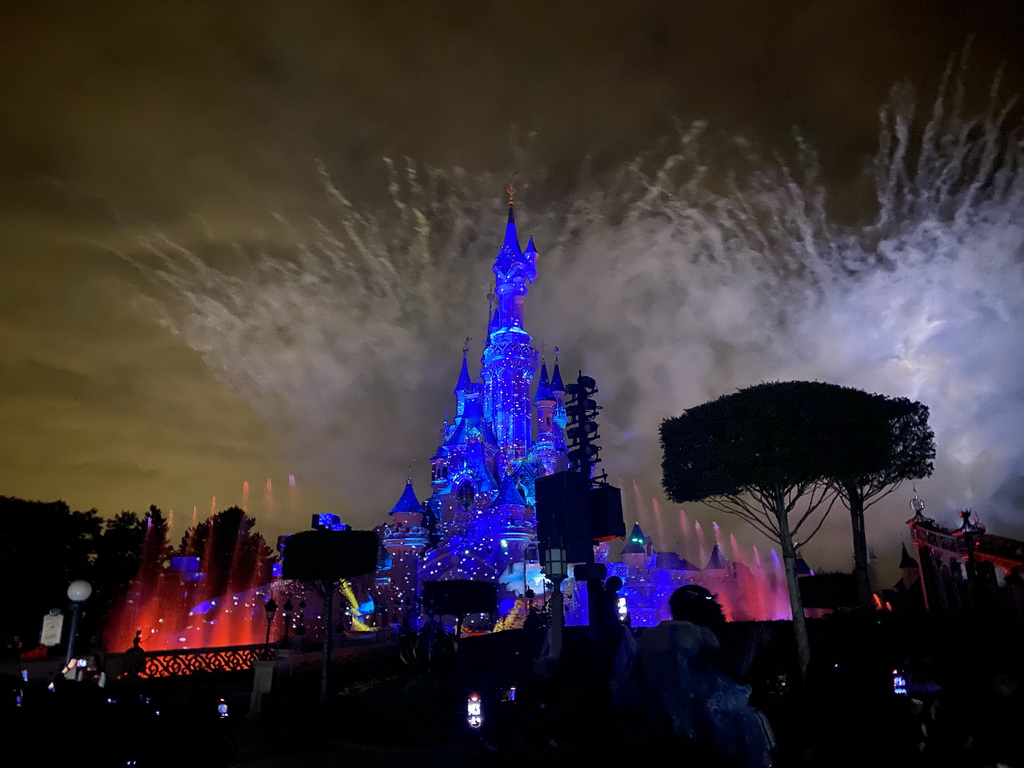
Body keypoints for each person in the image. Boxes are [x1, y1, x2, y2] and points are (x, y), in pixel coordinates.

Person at [623, 585, 774, 767]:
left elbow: (634, 673)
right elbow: (733, 670)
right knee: (751, 719)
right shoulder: (702, 634)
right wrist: (752, 640)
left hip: (653, 713)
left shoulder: (648, 635)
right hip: (695, 715)